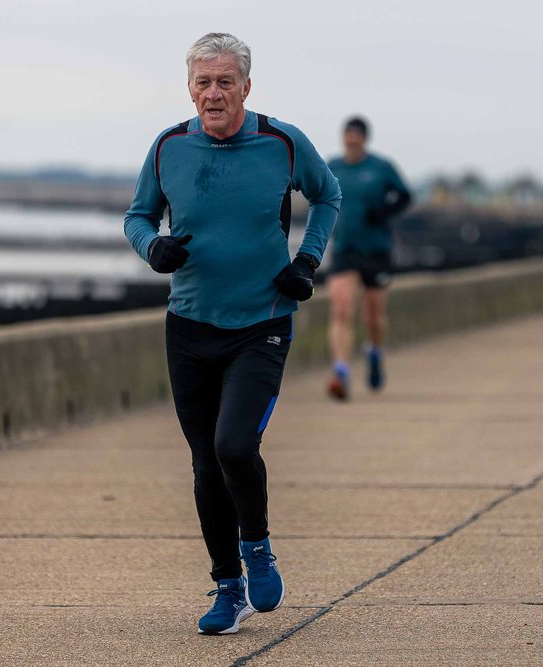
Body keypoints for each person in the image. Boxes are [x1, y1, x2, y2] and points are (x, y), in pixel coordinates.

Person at [124, 32, 341, 635]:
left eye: (225, 82)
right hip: (188, 327)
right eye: (203, 82)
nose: (213, 93)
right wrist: (153, 248)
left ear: (247, 86)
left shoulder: (282, 142)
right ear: (189, 88)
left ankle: (258, 548)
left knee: (235, 448)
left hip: (261, 323)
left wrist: (307, 261)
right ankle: (228, 587)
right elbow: (137, 215)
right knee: (203, 463)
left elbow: (328, 196)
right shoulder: (169, 147)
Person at [325, 117, 412, 399]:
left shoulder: (381, 168)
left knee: (373, 315)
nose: (351, 140)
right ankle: (340, 372)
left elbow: (404, 196)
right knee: (341, 309)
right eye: (347, 136)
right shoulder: (333, 167)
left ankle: (374, 352)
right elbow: (319, 195)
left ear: (364, 139)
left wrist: (383, 212)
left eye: (356, 136)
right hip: (344, 248)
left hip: (375, 249)